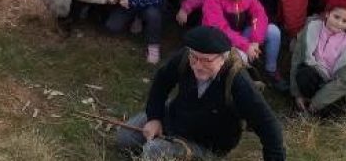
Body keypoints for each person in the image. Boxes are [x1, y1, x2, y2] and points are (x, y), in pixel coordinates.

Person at [115, 26, 286, 161]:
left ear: (223, 58)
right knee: (124, 138)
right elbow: (161, 82)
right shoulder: (186, 57)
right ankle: (165, 142)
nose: (197, 65)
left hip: (205, 144)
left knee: (154, 151)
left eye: (206, 60)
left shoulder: (237, 80)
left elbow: (269, 126)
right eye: (194, 58)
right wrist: (154, 118)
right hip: (173, 120)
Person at [177, 0, 284, 90]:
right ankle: (243, 81)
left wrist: (256, 40)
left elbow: (259, 14)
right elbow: (221, 29)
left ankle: (270, 71)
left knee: (273, 31)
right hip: (220, 41)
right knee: (242, 57)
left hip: (240, 35)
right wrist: (246, 46)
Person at [290, 0, 346, 116]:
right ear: (327, 13)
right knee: (304, 74)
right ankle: (302, 104)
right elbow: (297, 59)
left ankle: (311, 110)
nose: (339, 23)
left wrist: (316, 103)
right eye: (336, 17)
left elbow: (344, 82)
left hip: (331, 84)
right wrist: (297, 94)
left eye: (345, 21)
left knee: (337, 107)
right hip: (312, 77)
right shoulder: (312, 27)